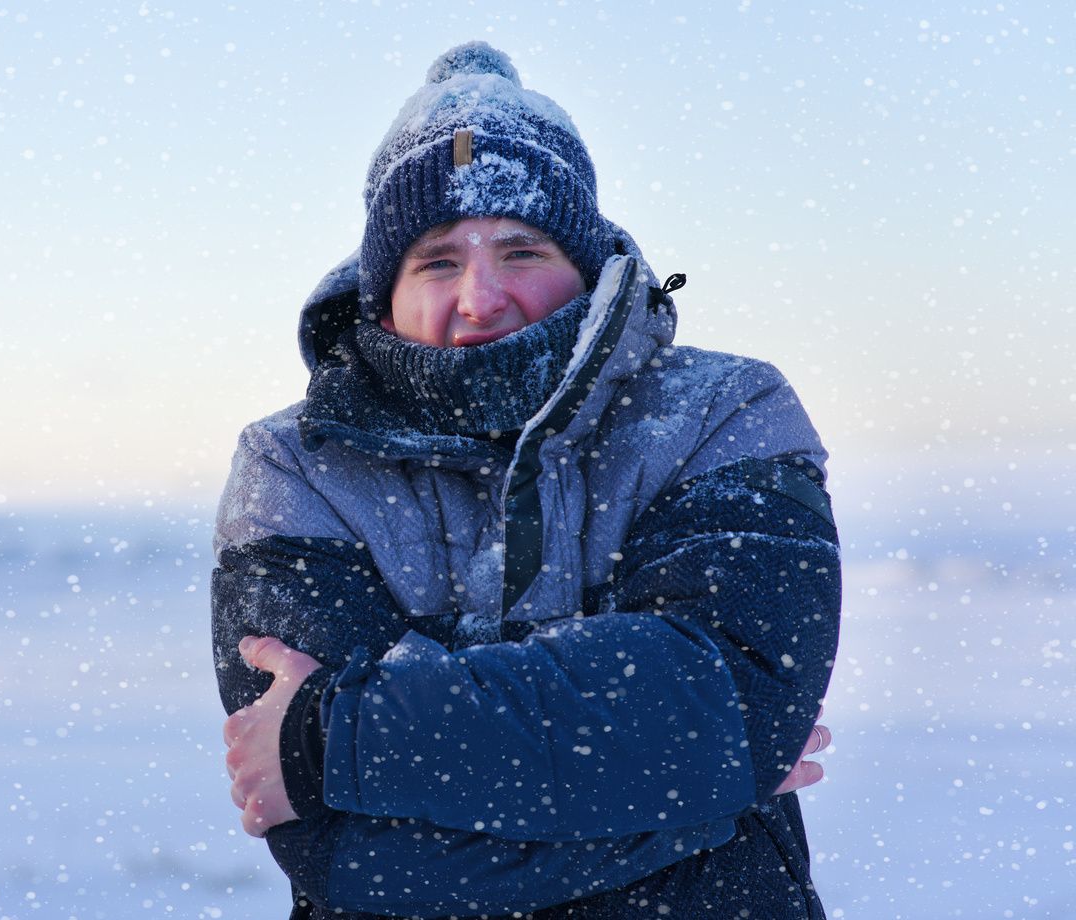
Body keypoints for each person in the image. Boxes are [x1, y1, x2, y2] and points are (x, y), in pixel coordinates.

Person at [212, 42, 841, 919]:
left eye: (520, 249)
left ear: (584, 265)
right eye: (437, 259)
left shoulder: (723, 409)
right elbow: (354, 859)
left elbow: (729, 703)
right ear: (382, 289)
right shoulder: (295, 463)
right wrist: (703, 790)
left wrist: (336, 738)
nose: (481, 297)